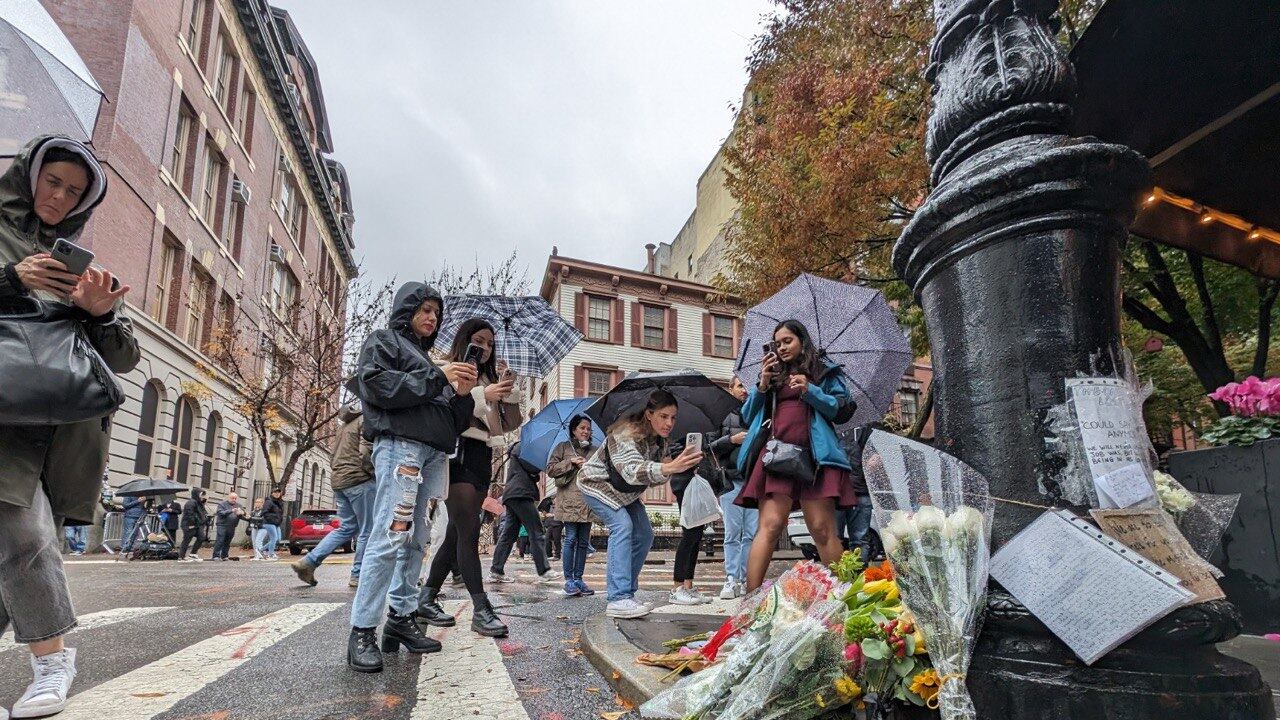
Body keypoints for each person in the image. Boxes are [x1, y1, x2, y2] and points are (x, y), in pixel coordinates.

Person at [0, 135, 136, 719]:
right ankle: (53, 661)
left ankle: (49, 661)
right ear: (28, 176)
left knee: (22, 544)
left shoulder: (81, 264)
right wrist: (12, 279)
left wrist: (98, 314)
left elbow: (123, 358)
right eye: (52, 181)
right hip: (5, 416)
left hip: (61, 431)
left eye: (74, 192)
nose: (59, 196)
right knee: (24, 534)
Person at [346, 282, 476, 673]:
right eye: (425, 309)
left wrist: (462, 393)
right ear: (407, 310)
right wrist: (438, 376)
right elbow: (377, 385)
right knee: (392, 534)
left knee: (418, 539)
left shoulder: (430, 360)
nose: (432, 318)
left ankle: (401, 619)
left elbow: (454, 421)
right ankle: (363, 629)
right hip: (401, 448)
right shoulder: (384, 341)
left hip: (434, 453)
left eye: (437, 312)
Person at [417, 318, 522, 640]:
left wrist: (508, 394)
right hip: (456, 453)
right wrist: (479, 394)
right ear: (465, 340)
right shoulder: (448, 368)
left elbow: (507, 426)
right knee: (468, 529)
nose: (485, 348)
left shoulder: (490, 377)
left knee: (455, 532)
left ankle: (426, 598)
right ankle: (481, 608)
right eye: (479, 341)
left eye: (490, 343)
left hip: (481, 455)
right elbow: (445, 410)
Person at [736, 320, 856, 592]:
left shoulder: (824, 371)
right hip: (777, 456)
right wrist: (762, 384)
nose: (782, 347)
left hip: (817, 458)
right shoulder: (772, 374)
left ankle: (844, 599)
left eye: (787, 341)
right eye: (777, 343)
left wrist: (810, 390)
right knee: (770, 525)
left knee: (822, 529)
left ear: (802, 340)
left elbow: (840, 410)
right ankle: (750, 599)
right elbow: (747, 416)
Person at [578, 390, 702, 619]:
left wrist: (672, 466)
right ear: (649, 414)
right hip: (597, 484)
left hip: (626, 493)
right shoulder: (624, 434)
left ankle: (627, 594)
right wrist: (668, 467)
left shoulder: (660, 441)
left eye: (673, 418)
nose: (669, 423)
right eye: (663, 416)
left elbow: (652, 478)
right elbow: (631, 471)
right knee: (622, 526)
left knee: (644, 534)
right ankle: (617, 598)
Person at [291, 403, 375, 588]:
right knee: (367, 530)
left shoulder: (344, 425)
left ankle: (309, 562)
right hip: (359, 480)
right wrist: (372, 474)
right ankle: (358, 575)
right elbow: (365, 452)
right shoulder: (365, 420)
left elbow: (332, 456)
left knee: (346, 528)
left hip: (339, 481)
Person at [489, 441, 560, 586]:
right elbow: (531, 467)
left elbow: (531, 472)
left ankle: (496, 570)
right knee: (536, 530)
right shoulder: (521, 446)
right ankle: (544, 570)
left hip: (514, 494)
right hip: (520, 493)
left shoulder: (519, 448)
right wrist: (542, 463)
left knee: (509, 533)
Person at [711, 376, 757, 599]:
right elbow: (710, 447)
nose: (744, 390)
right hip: (730, 481)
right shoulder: (720, 414)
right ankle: (731, 579)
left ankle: (746, 579)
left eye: (747, 386)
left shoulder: (757, 413)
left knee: (751, 534)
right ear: (731, 389)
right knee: (732, 534)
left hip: (753, 482)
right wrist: (731, 440)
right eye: (740, 386)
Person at [547, 415, 599, 597]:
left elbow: (603, 472)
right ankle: (569, 580)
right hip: (569, 500)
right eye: (582, 428)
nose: (586, 431)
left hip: (588, 501)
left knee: (584, 542)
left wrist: (588, 466)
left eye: (588, 429)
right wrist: (571, 462)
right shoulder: (563, 447)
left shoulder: (595, 450)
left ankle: (579, 579)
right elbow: (551, 469)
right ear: (574, 430)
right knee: (570, 539)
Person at [837, 424, 877, 563]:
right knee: (858, 540)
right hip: (848, 489)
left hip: (850, 489)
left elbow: (875, 456)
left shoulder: (829, 423)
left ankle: (844, 574)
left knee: (837, 538)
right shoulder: (866, 426)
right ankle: (854, 573)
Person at [212, 493, 247, 561]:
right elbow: (220, 513)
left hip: (232, 526)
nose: (234, 500)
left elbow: (243, 514)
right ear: (229, 498)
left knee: (227, 541)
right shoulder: (222, 504)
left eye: (235, 498)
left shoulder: (239, 505)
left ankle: (224, 556)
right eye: (232, 498)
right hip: (222, 525)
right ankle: (216, 556)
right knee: (220, 540)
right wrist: (231, 510)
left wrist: (242, 513)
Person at [179, 489, 209, 561]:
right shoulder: (191, 502)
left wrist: (204, 502)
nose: (202, 496)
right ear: (197, 494)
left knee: (201, 537)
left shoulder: (199, 503)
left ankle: (193, 554)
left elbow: (203, 512)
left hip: (197, 525)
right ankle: (181, 556)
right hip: (189, 524)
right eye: (201, 494)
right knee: (187, 540)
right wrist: (192, 523)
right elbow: (189, 514)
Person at [254, 489, 284, 560]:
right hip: (269, 523)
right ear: (272, 493)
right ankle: (270, 554)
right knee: (274, 538)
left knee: (278, 539)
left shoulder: (279, 502)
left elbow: (279, 514)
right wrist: (272, 518)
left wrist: (278, 520)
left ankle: (261, 550)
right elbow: (264, 512)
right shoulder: (269, 501)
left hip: (276, 523)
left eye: (278, 492)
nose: (277, 494)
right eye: (275, 492)